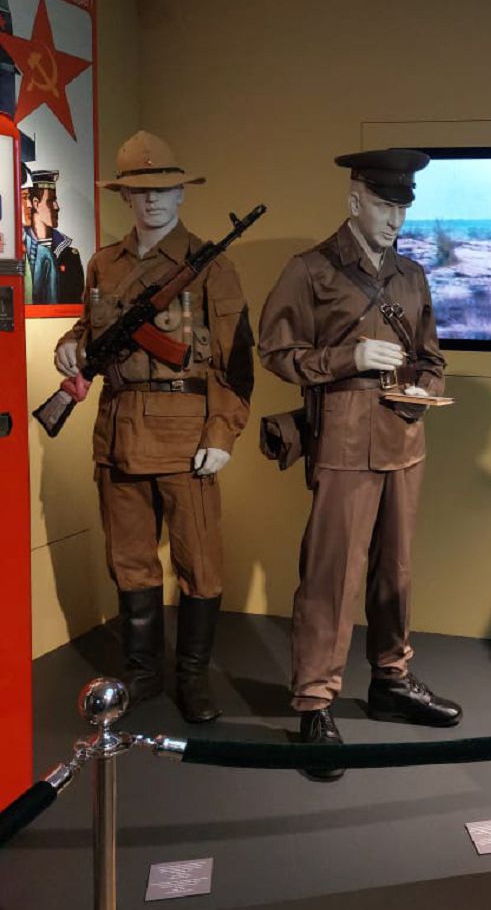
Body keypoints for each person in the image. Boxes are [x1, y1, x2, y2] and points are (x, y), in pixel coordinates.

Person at [258, 147, 461, 781]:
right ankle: (314, 702)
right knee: (332, 575)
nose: (394, 218)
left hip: (404, 439)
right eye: (383, 205)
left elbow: (431, 356)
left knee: (395, 571)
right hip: (343, 442)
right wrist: (348, 358)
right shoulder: (310, 270)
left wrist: (425, 386)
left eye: (402, 207)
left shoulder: (411, 275)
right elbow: (276, 351)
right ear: (354, 201)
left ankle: (391, 680)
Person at [53, 130, 253, 723]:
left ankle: (192, 678)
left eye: (163, 189)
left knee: (199, 563)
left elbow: (236, 364)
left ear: (181, 193)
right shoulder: (103, 264)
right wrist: (69, 346)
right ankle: (142, 673)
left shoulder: (212, 266)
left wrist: (221, 434)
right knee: (130, 560)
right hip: (117, 432)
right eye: (140, 192)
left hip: (186, 438)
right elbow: (87, 329)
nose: (152, 201)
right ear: (124, 198)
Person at [22, 166, 85, 306]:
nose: (57, 207)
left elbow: (75, 300)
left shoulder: (70, 256)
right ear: (35, 203)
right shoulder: (21, 251)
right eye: (51, 201)